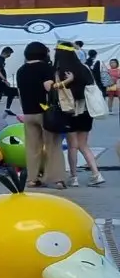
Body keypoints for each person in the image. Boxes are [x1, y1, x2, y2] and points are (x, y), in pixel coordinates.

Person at [14, 42, 64, 189]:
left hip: (29, 113)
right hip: (46, 113)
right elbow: (49, 87)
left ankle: (31, 178)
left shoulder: (21, 70)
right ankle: (57, 179)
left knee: (32, 147)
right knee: (52, 146)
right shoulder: (47, 68)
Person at [53, 43, 98, 184]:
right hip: (86, 110)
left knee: (72, 145)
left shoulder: (60, 71)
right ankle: (96, 174)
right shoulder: (84, 68)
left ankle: (74, 177)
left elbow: (54, 89)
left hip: (69, 111)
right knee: (83, 145)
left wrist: (67, 81)